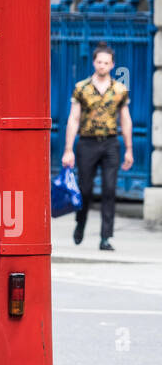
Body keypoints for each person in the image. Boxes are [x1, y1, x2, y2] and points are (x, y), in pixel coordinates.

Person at [62, 42, 134, 250]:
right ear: (94, 63)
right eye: (99, 62)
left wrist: (129, 149)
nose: (102, 65)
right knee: (85, 190)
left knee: (110, 190)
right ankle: (80, 223)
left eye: (106, 62)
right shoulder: (81, 88)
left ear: (112, 65)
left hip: (111, 143)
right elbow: (73, 119)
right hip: (87, 143)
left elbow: (125, 119)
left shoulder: (120, 90)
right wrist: (68, 149)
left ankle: (105, 237)